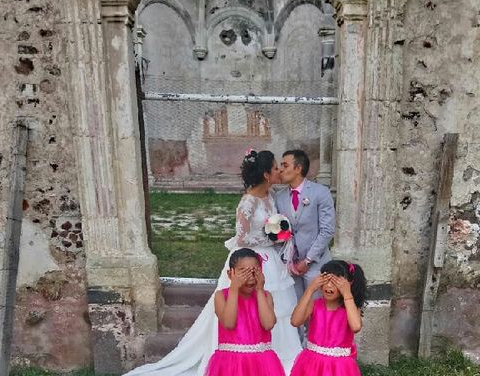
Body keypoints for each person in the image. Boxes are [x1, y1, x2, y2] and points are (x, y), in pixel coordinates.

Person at [125, 150, 301, 376]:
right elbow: (241, 237)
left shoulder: (271, 197)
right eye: (276, 168)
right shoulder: (247, 202)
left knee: (275, 303)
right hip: (249, 257)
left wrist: (278, 234)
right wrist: (271, 236)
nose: (279, 171)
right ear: (266, 174)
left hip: (270, 260)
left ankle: (276, 355)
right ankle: (242, 349)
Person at [205, 248, 286, 376]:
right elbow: (229, 323)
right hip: (231, 364)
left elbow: (268, 324)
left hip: (262, 363)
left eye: (254, 271)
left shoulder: (265, 296)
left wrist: (260, 290)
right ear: (230, 274)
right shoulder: (222, 296)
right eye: (244, 272)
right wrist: (234, 289)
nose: (250, 277)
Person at [275, 149, 335, 302]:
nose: (281, 169)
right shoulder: (279, 197)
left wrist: (308, 260)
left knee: (316, 309)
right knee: (294, 310)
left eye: (285, 165)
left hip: (316, 264)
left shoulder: (320, 192)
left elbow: (327, 231)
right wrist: (286, 261)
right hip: (290, 266)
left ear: (298, 168)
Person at [289, 260, 367, 376]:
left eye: (335, 282)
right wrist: (310, 290)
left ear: (346, 284)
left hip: (339, 368)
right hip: (312, 365)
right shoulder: (314, 304)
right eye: (326, 280)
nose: (329, 285)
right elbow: (295, 321)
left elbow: (356, 327)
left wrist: (347, 294)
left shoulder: (350, 308)